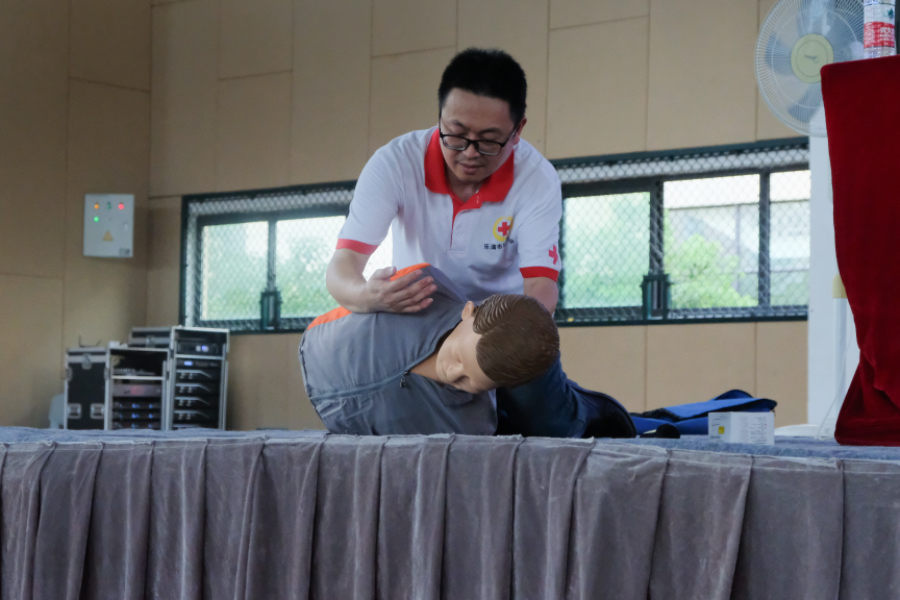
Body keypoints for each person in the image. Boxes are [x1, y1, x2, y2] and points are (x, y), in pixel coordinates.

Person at [320, 48, 634, 438]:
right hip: (422, 323)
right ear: (440, 116)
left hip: (502, 326)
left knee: (547, 427)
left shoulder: (536, 179)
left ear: (517, 130)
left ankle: (590, 411)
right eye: (456, 135)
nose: (469, 153)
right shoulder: (394, 163)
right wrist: (369, 297)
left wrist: (500, 344)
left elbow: (541, 286)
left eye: (488, 141)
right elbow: (342, 269)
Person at [300, 265, 560, 435]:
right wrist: (366, 293)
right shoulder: (420, 287)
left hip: (338, 423)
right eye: (458, 357)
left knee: (555, 420)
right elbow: (347, 281)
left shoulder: (470, 428)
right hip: (314, 346)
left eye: (470, 382)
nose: (451, 372)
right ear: (468, 310)